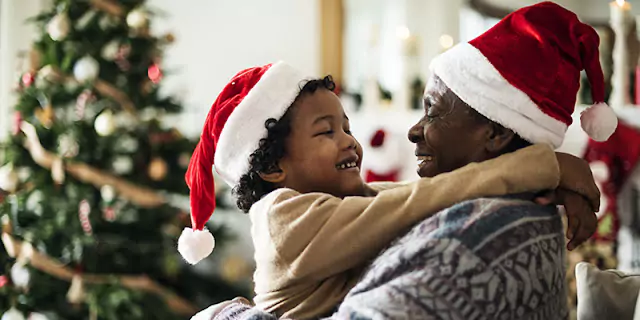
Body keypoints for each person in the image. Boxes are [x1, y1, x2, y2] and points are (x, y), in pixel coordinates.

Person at [193, 2, 616, 320]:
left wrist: (550, 180)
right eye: (326, 132)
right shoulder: (283, 217)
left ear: (496, 135)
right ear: (272, 169)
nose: (350, 143)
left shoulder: (476, 231)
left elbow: (410, 198)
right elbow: (414, 202)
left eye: (346, 127)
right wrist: (547, 167)